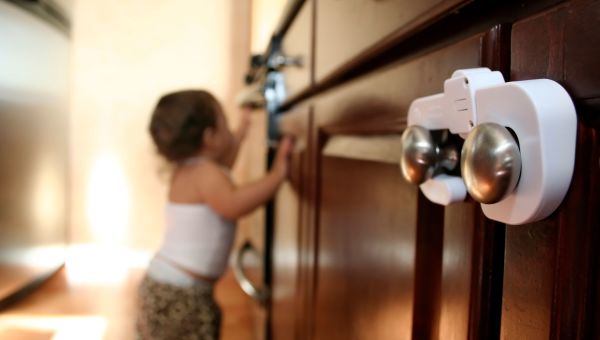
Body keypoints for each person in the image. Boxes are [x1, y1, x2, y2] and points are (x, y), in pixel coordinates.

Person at [136, 89, 292, 340]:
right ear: (210, 137)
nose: (230, 131)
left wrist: (241, 133)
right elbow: (233, 203)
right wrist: (276, 176)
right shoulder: (206, 175)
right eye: (225, 124)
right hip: (181, 293)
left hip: (170, 285)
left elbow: (225, 166)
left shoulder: (193, 170)